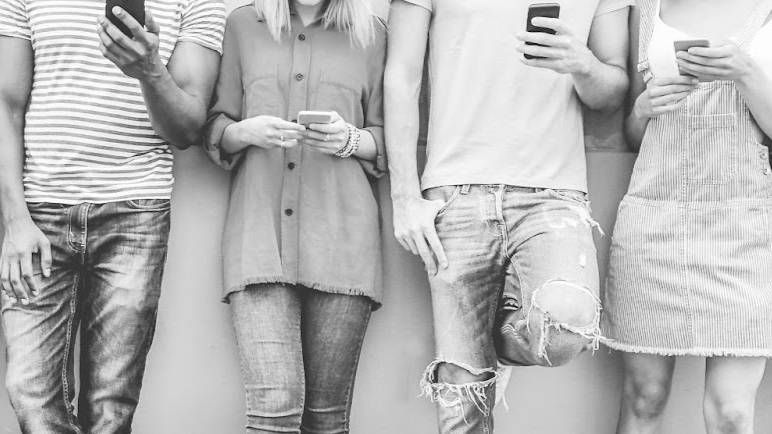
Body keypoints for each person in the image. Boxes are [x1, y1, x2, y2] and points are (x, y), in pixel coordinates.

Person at [385, 0, 633, 431]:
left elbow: (612, 95)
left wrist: (582, 64)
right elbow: (401, 76)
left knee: (564, 330)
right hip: (454, 192)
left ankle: (485, 343)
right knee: (462, 395)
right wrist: (405, 196)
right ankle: (470, 356)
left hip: (554, 196)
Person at [0, 0, 225, 432]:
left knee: (111, 404)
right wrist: (15, 221)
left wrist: (149, 69)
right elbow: (7, 107)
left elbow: (187, 129)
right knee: (29, 392)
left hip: (135, 213)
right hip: (37, 214)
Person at [203, 0, 386, 432]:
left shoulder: (374, 34)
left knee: (326, 421)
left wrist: (349, 139)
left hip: (344, 244)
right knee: (274, 412)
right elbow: (215, 126)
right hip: (258, 239)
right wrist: (244, 131)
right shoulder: (244, 25)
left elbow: (392, 138)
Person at [602, 0, 772, 432]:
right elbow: (635, 135)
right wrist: (642, 109)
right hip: (652, 222)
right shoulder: (646, 9)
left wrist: (746, 72)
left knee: (732, 412)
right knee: (646, 398)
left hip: (742, 230)